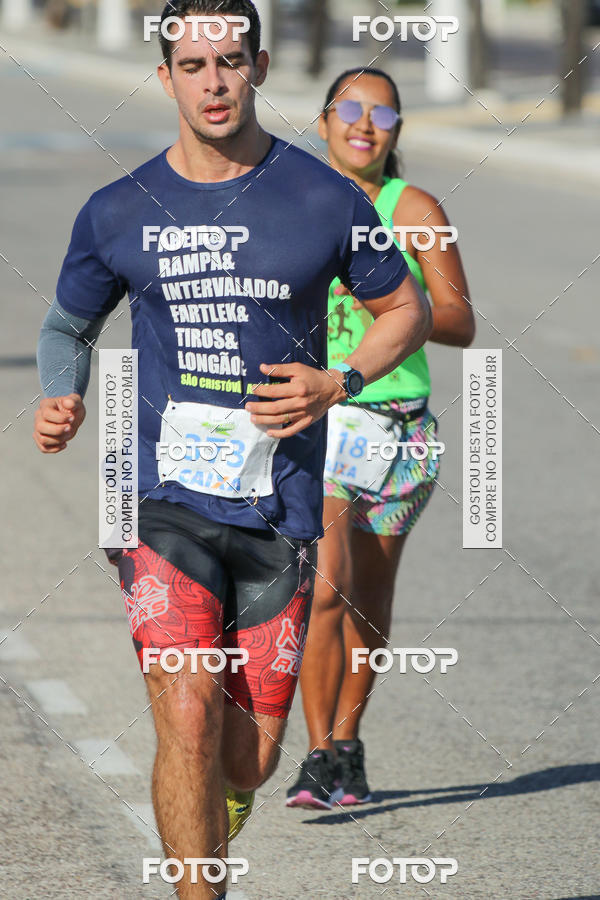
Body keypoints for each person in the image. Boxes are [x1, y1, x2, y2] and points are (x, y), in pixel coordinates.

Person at [33, 8, 432, 899]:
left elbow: (409, 311)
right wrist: (64, 393)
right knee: (183, 713)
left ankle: (220, 791)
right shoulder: (119, 208)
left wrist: (341, 382)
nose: (211, 82)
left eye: (227, 62)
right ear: (165, 74)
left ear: (255, 66)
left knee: (245, 759)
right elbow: (68, 324)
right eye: (190, 64)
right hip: (159, 502)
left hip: (279, 508)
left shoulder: (326, 198)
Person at [286, 68, 475, 811]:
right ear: (326, 120)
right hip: (327, 424)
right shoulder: (295, 201)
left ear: (395, 129)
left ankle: (347, 744)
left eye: (383, 112)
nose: (365, 123)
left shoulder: (415, 207)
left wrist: (392, 305)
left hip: (402, 434)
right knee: (323, 588)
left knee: (368, 600)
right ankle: (315, 755)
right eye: (350, 109)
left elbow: (460, 320)